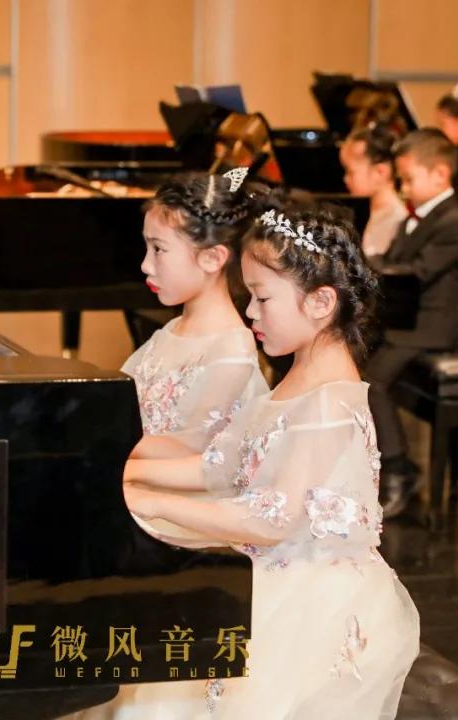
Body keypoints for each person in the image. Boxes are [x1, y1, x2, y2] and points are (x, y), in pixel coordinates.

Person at [69, 203, 420, 719]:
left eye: (262, 297)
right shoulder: (299, 373)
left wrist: (147, 503)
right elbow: (215, 466)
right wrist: (119, 475)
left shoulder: (330, 401)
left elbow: (270, 519)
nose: (250, 312)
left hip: (309, 595)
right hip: (264, 565)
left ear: (321, 302)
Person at [120, 169, 269, 546]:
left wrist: (102, 448)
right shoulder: (170, 331)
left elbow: (189, 448)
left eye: (159, 249)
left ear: (212, 258)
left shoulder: (230, 350)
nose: (146, 264)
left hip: (183, 510)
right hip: (141, 481)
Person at [364, 129, 458, 518]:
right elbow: (393, 259)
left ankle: (399, 469)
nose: (403, 188)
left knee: (373, 383)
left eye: (408, 179)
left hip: (430, 327)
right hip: (406, 319)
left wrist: (377, 269)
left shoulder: (453, 222)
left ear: (440, 174)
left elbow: (417, 272)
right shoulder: (417, 217)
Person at [339, 124, 406, 258]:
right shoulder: (371, 213)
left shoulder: (396, 219)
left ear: (381, 172)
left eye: (351, 172)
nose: (345, 179)